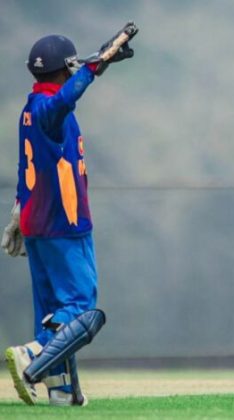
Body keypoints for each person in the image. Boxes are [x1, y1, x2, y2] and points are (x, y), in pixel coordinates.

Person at [1, 27, 136, 406]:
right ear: (66, 69)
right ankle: (34, 354)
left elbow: (25, 165)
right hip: (63, 222)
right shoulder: (49, 109)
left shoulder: (29, 110)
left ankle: (63, 391)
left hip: (36, 222)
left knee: (53, 311)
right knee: (80, 308)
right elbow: (66, 98)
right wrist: (94, 67)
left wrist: (17, 212)